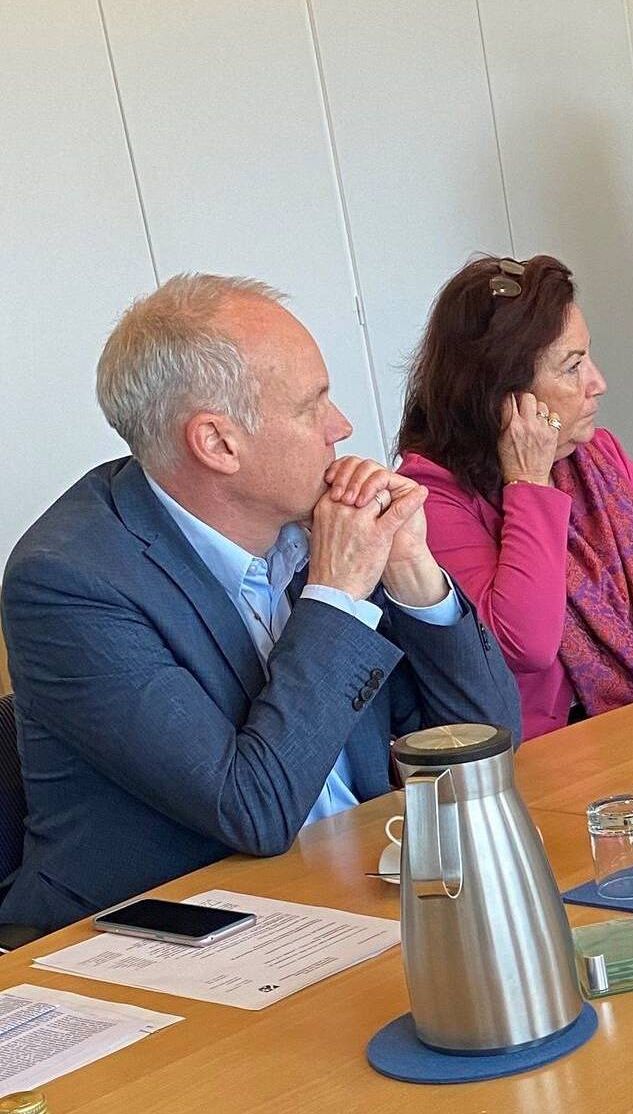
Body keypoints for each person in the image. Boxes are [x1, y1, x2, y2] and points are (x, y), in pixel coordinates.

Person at [0, 276, 518, 932]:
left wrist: (414, 571)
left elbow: (487, 739)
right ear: (217, 443)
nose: (342, 427)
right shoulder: (70, 582)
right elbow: (253, 808)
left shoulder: (308, 526)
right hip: (162, 938)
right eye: (312, 406)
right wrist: (337, 593)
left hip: (346, 892)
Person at [396, 256, 633, 739]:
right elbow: (524, 645)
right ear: (505, 395)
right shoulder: (434, 500)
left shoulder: (602, 457)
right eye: (573, 367)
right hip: (554, 766)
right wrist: (529, 484)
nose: (598, 383)